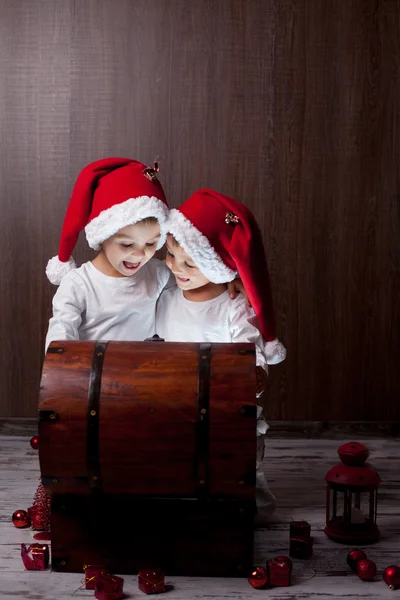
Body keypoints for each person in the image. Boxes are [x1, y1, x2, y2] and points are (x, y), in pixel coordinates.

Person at [156, 188, 286, 525]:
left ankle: (252, 509)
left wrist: (254, 373)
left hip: (225, 405)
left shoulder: (232, 307)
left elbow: (249, 348)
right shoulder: (168, 298)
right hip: (181, 402)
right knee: (185, 464)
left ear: (220, 265)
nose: (176, 268)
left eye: (190, 263)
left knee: (240, 467)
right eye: (170, 255)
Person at [45, 157, 171, 349]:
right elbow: (61, 332)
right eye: (127, 245)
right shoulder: (79, 284)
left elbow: (197, 289)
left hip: (145, 375)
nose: (139, 254)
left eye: (151, 243)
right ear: (103, 237)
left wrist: (231, 283)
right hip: (94, 376)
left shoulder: (158, 273)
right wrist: (62, 366)